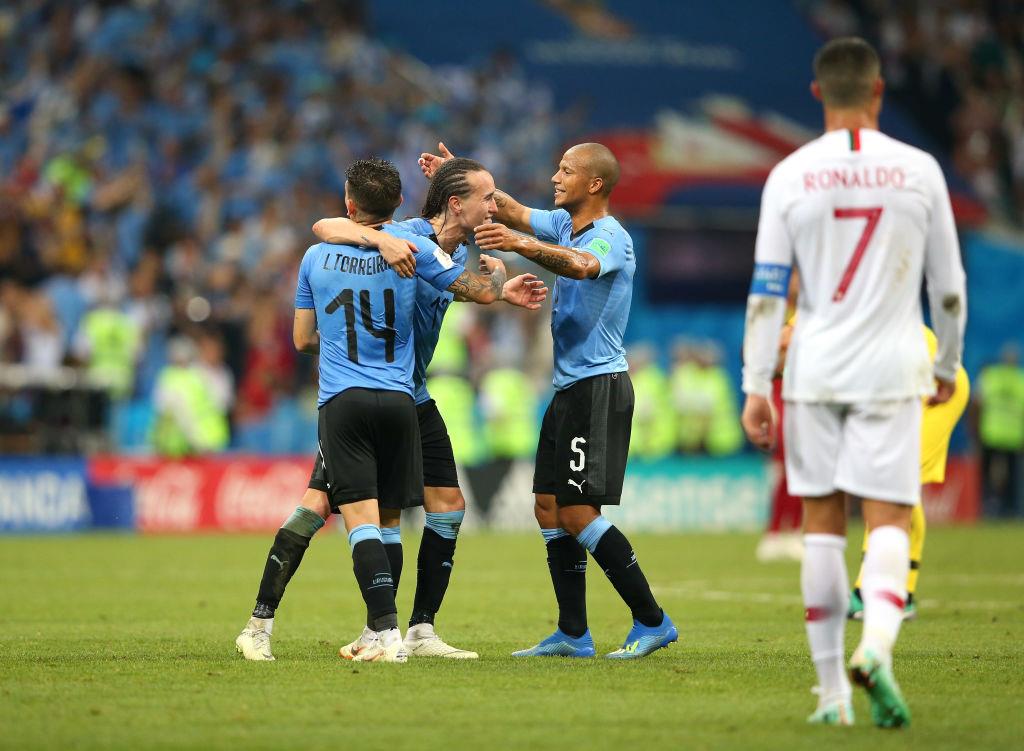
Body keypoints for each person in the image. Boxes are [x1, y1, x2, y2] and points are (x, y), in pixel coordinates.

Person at [739, 37, 966, 729]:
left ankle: (833, 693)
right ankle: (878, 647)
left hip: (813, 368)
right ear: (879, 91)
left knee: (822, 528)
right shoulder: (920, 170)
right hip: (893, 366)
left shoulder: (790, 174)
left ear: (817, 94)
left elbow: (767, 291)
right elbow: (948, 288)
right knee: (890, 519)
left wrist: (756, 382)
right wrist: (946, 367)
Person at [235, 158, 546, 662]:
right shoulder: (408, 238)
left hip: (408, 395)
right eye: (487, 198)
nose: (495, 206)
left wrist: (497, 294)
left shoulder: (453, 253)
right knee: (319, 507)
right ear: (455, 204)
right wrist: (380, 242)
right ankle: (265, 622)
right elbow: (329, 226)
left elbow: (443, 289)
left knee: (443, 506)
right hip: (385, 391)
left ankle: (414, 630)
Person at [421, 141, 678, 659]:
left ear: (594, 184)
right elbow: (511, 209)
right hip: (568, 389)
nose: (555, 178)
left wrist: (520, 243)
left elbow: (581, 266)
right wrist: (458, 176)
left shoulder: (612, 237)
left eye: (566, 170)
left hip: (599, 388)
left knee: (579, 512)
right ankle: (573, 633)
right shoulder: (564, 224)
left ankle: (653, 621)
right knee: (548, 507)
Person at [849, 326, 971, 620]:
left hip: (939, 388)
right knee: (894, 485)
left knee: (892, 484)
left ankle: (871, 590)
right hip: (906, 390)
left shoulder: (830, 322)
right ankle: (902, 592)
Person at [975, 344, 1024, 517]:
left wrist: (975, 432)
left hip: (991, 434)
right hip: (1013, 437)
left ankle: (987, 508)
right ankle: (1011, 510)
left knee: (987, 476)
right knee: (1013, 477)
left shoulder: (990, 376)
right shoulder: (1020, 379)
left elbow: (976, 404)